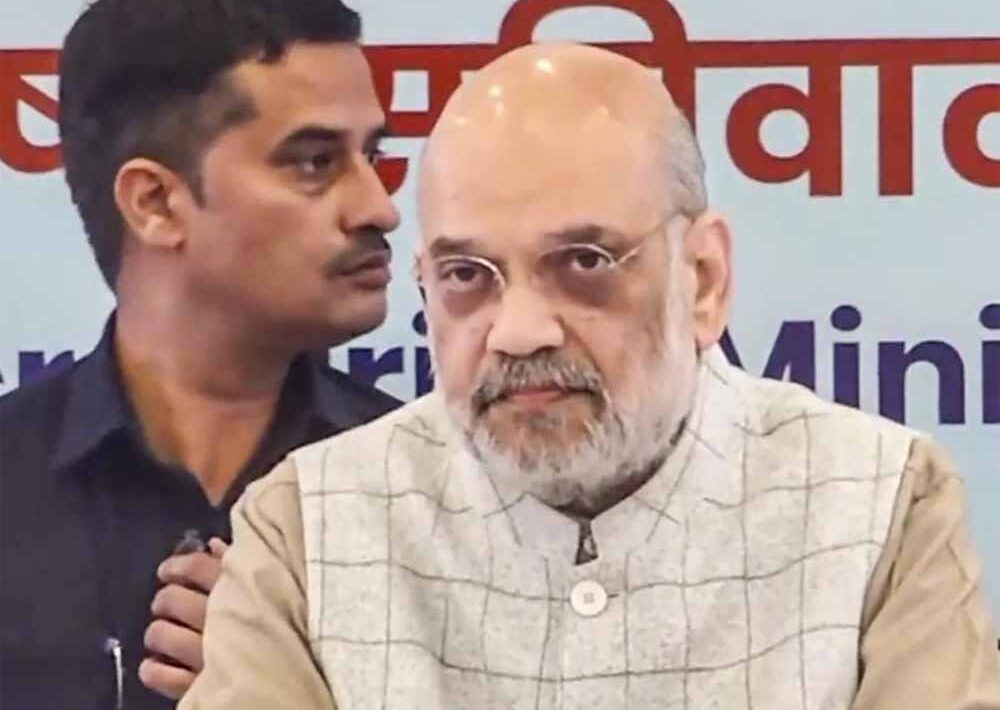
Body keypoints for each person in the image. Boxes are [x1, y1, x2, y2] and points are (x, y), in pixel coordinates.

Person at [181, 43, 1000, 710]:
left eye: (583, 262)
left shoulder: (879, 507)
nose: (519, 331)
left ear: (704, 279)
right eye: (467, 276)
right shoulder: (308, 532)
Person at [0, 0, 403, 708]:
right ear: (155, 202)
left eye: (370, 156)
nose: (380, 208)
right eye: (315, 162)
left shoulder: (441, 496)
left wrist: (303, 685)